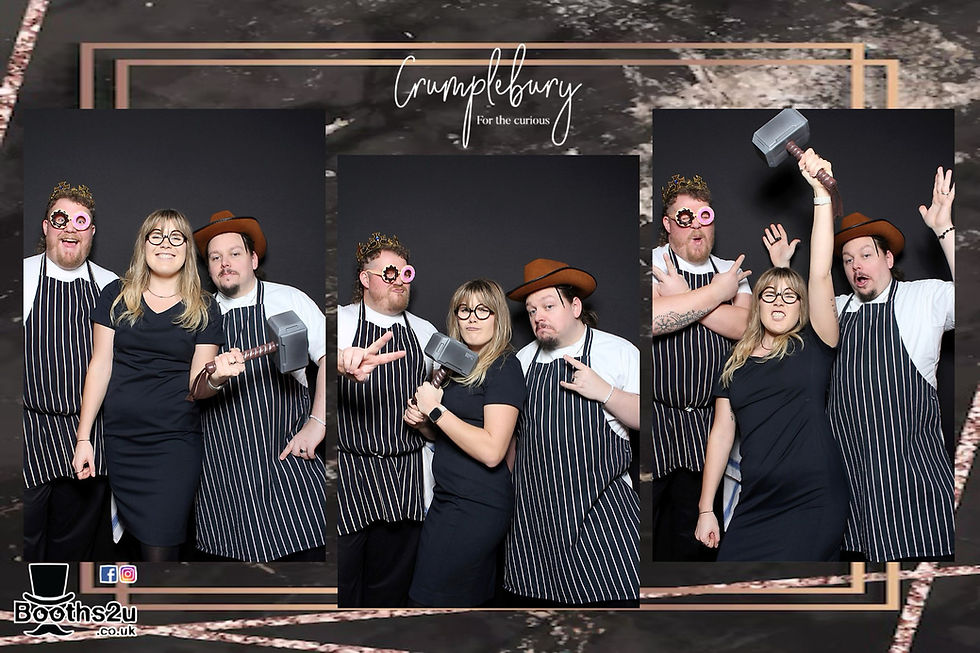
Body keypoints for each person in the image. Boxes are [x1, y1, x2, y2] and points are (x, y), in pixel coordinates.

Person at [694, 149, 849, 561]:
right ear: (758, 305)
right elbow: (721, 435)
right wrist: (706, 508)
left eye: (788, 296)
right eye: (768, 294)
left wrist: (820, 195)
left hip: (814, 497)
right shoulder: (735, 366)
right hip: (756, 501)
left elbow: (818, 272)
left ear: (801, 306)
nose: (778, 302)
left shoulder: (815, 346)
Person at [72, 209, 224, 562]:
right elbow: (100, 365)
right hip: (122, 443)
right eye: (156, 236)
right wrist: (84, 439)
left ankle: (159, 615)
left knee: (161, 551)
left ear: (188, 249)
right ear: (143, 244)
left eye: (176, 237)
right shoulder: (116, 294)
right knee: (122, 552)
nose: (165, 244)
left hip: (173, 446)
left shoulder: (204, 308)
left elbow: (198, 386)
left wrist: (216, 377)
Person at [821, 167, 954, 562]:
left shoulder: (922, 298)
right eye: (847, 260)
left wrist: (945, 231)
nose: (856, 266)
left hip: (913, 488)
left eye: (865, 254)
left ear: (888, 257)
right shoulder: (836, 311)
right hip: (852, 494)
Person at [191, 210, 327, 562]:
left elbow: (330, 356)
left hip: (287, 460)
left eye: (234, 253)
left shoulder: (289, 300)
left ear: (253, 258)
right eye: (215, 257)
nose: (225, 263)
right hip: (225, 470)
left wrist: (318, 422)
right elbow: (193, 389)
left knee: (303, 574)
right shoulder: (201, 316)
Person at [504, 258, 640, 607]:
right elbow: (514, 439)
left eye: (548, 305)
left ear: (576, 306)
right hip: (537, 522)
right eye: (532, 310)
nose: (538, 317)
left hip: (601, 516)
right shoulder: (521, 361)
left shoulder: (618, 352)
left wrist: (605, 392)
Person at [404, 279, 525, 607]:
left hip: (476, 506)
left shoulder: (504, 367)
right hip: (448, 500)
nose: (472, 318)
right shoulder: (456, 370)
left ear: (498, 316)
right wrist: (424, 425)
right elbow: (447, 437)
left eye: (483, 310)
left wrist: (436, 409)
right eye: (464, 310)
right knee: (461, 604)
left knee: (432, 602)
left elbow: (491, 451)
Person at [651, 173, 752, 560]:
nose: (695, 224)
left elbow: (743, 327)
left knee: (687, 542)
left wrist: (684, 300)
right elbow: (656, 320)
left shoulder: (732, 270)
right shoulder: (655, 263)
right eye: (684, 216)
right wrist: (717, 296)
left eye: (703, 215)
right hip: (656, 422)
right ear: (668, 224)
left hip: (705, 428)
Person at [337, 232, 438, 607]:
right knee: (341, 584)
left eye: (405, 273)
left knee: (390, 588)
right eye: (389, 272)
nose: (399, 280)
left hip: (405, 474)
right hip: (351, 471)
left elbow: (439, 398)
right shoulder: (342, 322)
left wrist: (426, 417)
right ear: (365, 278)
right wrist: (341, 362)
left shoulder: (424, 331)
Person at [23, 181, 117, 561]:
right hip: (27, 434)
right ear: (46, 226)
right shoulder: (22, 275)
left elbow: (120, 363)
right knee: (22, 542)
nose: (70, 228)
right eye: (61, 218)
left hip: (89, 436)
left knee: (71, 548)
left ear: (91, 232)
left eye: (81, 221)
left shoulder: (109, 285)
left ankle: (56, 618)